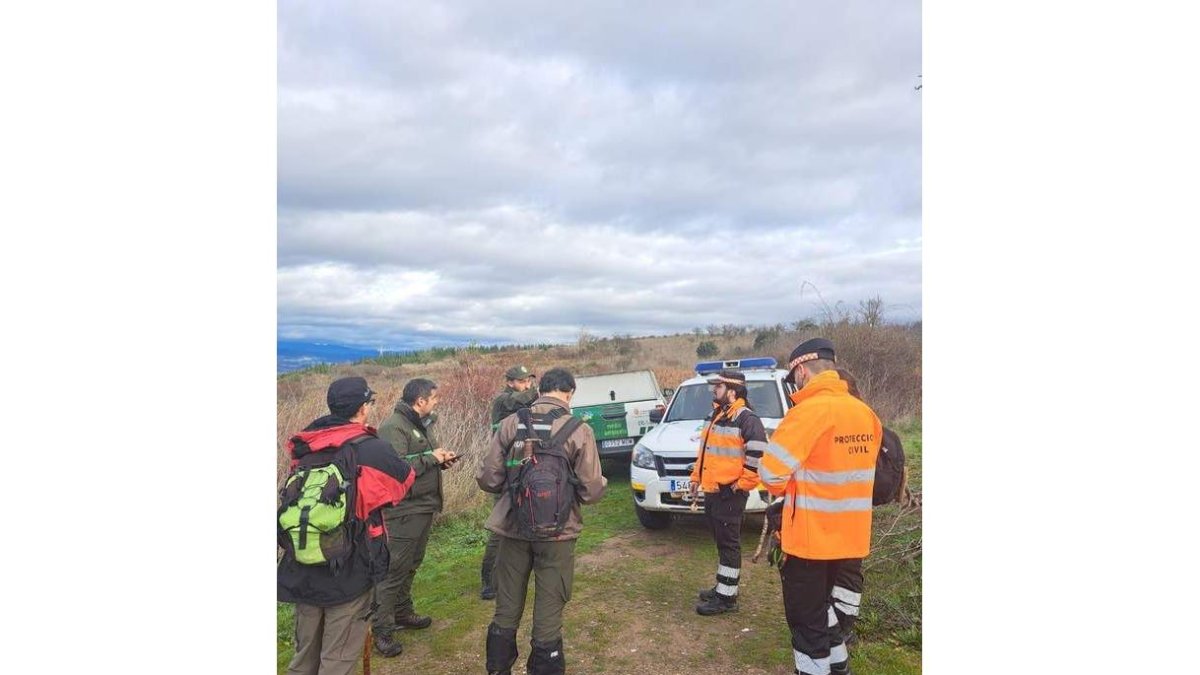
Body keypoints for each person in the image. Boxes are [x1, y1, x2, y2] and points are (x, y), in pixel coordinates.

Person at [759, 339, 882, 675]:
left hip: (811, 541)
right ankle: (839, 668)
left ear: (801, 370)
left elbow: (770, 474)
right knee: (824, 613)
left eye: (793, 376)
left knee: (807, 623)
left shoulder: (808, 412)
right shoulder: (865, 413)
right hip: (851, 540)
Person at [278, 376, 415, 675]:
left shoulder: (304, 447)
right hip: (349, 567)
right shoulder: (371, 448)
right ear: (363, 408)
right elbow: (403, 482)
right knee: (338, 659)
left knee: (304, 657)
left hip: (302, 562)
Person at [476, 367, 607, 675]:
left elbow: (488, 479)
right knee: (549, 613)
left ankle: (498, 669)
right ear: (569, 393)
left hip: (513, 529)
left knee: (506, 609)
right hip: (559, 535)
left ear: (540, 390)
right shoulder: (579, 429)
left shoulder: (510, 424)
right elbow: (590, 491)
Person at [371, 378, 459, 656]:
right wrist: (432, 458)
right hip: (403, 511)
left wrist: (440, 459)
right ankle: (382, 630)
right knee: (394, 570)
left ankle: (402, 612)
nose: (436, 403)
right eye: (434, 398)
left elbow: (419, 459)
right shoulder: (392, 427)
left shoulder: (419, 425)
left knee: (412, 563)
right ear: (420, 401)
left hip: (422, 507)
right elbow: (394, 468)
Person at [687, 369, 769, 616]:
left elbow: (758, 455)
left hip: (730, 493)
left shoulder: (746, 419)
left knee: (729, 544)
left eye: (719, 387)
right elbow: (705, 453)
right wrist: (695, 478)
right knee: (722, 543)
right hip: (713, 490)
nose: (714, 390)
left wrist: (742, 484)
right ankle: (723, 588)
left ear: (732, 392)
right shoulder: (716, 415)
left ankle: (727, 599)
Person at [479, 365, 540, 600]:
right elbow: (523, 398)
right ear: (511, 382)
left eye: (529, 381)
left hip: (522, 469)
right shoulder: (504, 400)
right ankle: (488, 581)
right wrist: (539, 390)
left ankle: (516, 572)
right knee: (500, 527)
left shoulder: (520, 402)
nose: (527, 385)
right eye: (523, 381)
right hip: (506, 472)